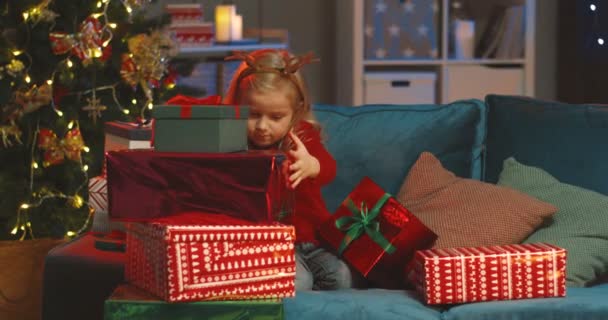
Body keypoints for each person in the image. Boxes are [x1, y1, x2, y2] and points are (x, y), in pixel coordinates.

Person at [223, 49, 353, 291]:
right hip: (269, 244)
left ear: (297, 111)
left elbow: (328, 168)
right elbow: (191, 104)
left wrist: (310, 165)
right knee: (298, 282)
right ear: (236, 106)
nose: (262, 126)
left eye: (276, 117)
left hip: (313, 241)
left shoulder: (302, 136)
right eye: (252, 114)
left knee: (341, 276)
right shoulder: (234, 142)